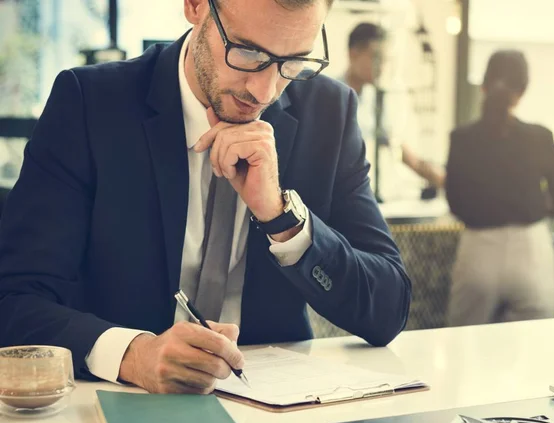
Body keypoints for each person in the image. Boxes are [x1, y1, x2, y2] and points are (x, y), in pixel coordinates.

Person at [0, 0, 411, 395]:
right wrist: (133, 356)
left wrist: (282, 217)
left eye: (293, 62)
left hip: (277, 422)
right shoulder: (90, 103)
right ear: (196, 6)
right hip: (114, 412)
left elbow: (387, 310)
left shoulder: (330, 113)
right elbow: (14, 300)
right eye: (248, 52)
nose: (265, 90)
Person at [446, 50, 554, 326]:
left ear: (484, 85)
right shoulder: (540, 137)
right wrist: (535, 204)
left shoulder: (462, 138)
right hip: (531, 252)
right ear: (523, 89)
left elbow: (455, 203)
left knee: (463, 348)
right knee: (535, 351)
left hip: (478, 252)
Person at [341, 22, 445, 192]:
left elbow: (396, 145)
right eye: (375, 57)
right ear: (353, 54)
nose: (381, 67)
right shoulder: (328, 96)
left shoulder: (376, 98)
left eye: (384, 59)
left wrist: (443, 179)